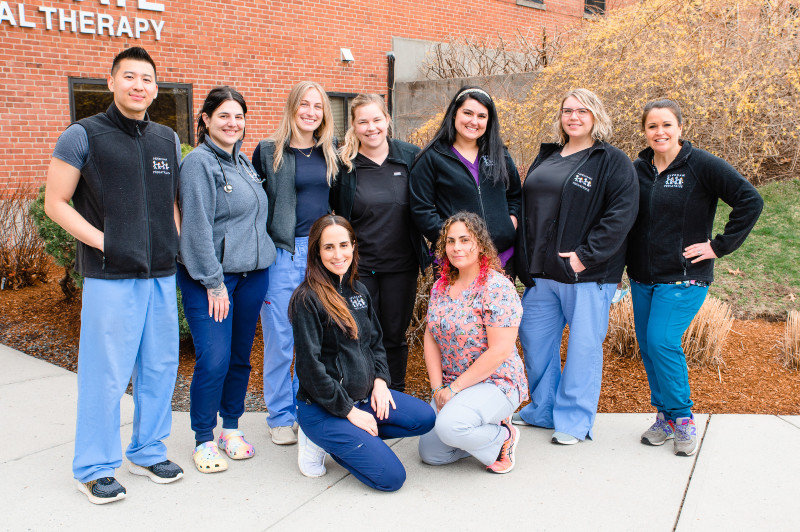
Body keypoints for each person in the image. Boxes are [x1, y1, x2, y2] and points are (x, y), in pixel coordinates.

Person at [44, 47, 184, 504]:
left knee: (160, 368)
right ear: (111, 82)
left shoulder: (166, 138)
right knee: (106, 374)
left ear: (156, 88)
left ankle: (146, 451)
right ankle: (94, 466)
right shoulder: (82, 135)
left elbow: (172, 205)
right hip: (110, 276)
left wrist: (173, 245)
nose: (138, 85)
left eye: (147, 78)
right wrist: (107, 242)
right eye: (129, 76)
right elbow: (56, 203)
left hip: (161, 275)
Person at [628, 99, 762, 456]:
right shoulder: (638, 168)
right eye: (653, 126)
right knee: (647, 346)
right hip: (642, 277)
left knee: (661, 341)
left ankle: (684, 418)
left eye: (667, 125)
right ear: (645, 131)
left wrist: (719, 246)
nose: (660, 132)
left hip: (684, 277)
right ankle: (665, 417)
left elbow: (750, 200)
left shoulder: (701, 165)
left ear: (680, 128)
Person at [513, 88, 639, 445]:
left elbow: (622, 214)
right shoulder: (547, 157)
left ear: (596, 116)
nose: (574, 117)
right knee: (534, 341)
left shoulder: (611, 161)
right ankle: (542, 409)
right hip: (540, 274)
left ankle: (573, 422)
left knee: (583, 349)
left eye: (582, 111)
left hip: (586, 274)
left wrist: (587, 255)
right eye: (567, 110)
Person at [290, 215, 436, 491]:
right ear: (317, 252)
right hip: (324, 409)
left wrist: (380, 382)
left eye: (344, 245)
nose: (337, 254)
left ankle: (349, 439)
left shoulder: (359, 291)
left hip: (364, 398)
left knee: (424, 418)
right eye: (328, 247)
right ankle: (320, 439)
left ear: (354, 246)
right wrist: (348, 412)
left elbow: (376, 343)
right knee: (392, 478)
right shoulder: (307, 299)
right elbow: (309, 368)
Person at [177, 87, 277, 472]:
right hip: (213, 281)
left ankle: (230, 429)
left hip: (254, 277)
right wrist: (214, 282)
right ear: (205, 119)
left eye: (238, 116)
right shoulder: (198, 163)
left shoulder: (245, 165)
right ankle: (203, 438)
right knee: (214, 359)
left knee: (239, 358)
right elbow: (196, 228)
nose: (232, 123)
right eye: (223, 116)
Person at [252, 81, 338, 445]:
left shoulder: (330, 152)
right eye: (304, 104)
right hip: (283, 255)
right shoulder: (268, 151)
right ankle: (279, 416)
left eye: (317, 106)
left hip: (321, 255)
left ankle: (306, 409)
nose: (311, 112)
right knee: (281, 340)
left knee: (314, 340)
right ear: (292, 107)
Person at [418, 211, 528, 474]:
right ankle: (470, 427)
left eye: (465, 240)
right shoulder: (440, 287)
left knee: (450, 427)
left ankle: (502, 437)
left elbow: (500, 350)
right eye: (451, 241)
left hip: (496, 382)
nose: (457, 248)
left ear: (479, 244)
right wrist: (437, 390)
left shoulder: (496, 287)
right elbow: (430, 337)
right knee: (431, 453)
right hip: (452, 385)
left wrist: (454, 390)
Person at [331, 93, 427, 392]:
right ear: (353, 126)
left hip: (401, 267)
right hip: (360, 269)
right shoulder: (343, 164)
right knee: (358, 334)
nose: (371, 128)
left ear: (387, 120)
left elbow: (428, 203)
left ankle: (394, 394)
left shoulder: (411, 157)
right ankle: (362, 395)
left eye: (376, 120)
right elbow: (333, 214)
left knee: (394, 336)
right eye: (363, 122)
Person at [409, 86, 521, 276]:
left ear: (489, 120)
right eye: (467, 113)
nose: (474, 121)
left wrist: (510, 223)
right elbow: (421, 209)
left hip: (501, 259)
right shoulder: (432, 157)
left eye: (482, 116)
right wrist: (454, 243)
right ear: (454, 114)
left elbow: (515, 195)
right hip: (455, 263)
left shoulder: (500, 154)